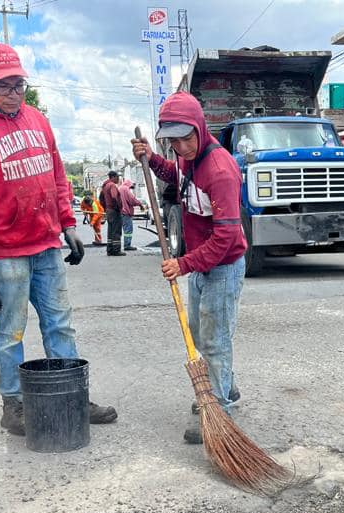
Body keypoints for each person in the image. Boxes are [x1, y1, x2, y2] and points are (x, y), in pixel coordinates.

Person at [0, 42, 117, 436]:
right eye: (4, 86)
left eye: (19, 84)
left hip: (44, 244)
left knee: (60, 324)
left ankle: (72, 395)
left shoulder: (36, 119)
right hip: (3, 252)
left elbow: (56, 174)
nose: (13, 94)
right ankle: (14, 404)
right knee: (11, 330)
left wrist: (68, 223)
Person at [132, 91, 247, 444]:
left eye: (187, 137)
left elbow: (226, 237)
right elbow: (176, 175)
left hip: (223, 265)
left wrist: (183, 264)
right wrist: (151, 158)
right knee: (200, 333)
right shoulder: (187, 160)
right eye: (174, 141)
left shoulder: (220, 169)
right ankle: (223, 382)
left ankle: (220, 409)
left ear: (200, 127)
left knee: (214, 338)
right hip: (201, 265)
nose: (181, 147)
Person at [99, 170, 123, 256]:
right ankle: (116, 250)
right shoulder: (112, 185)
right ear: (113, 177)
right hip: (114, 210)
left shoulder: (105, 186)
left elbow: (101, 198)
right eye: (117, 177)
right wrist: (118, 207)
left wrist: (105, 208)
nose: (118, 179)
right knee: (116, 230)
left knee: (110, 230)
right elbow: (114, 196)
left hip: (109, 211)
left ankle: (110, 249)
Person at [119, 179, 144, 251]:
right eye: (131, 187)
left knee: (121, 229)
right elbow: (132, 199)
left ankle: (119, 244)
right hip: (125, 212)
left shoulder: (120, 188)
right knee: (128, 230)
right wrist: (140, 204)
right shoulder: (125, 189)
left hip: (120, 212)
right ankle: (127, 245)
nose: (131, 188)